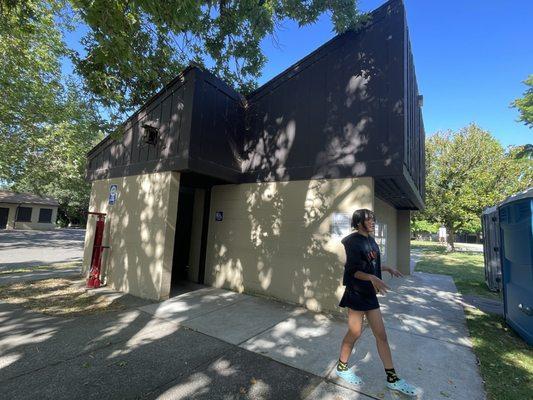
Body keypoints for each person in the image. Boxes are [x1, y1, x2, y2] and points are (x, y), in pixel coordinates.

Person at [335, 209, 418, 397]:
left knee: (381, 335)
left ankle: (392, 379)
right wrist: (373, 278)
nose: (372, 222)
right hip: (356, 293)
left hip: (369, 295)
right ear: (358, 223)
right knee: (355, 332)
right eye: (368, 219)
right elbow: (353, 272)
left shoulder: (370, 240)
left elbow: (370, 264)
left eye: (373, 218)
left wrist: (386, 268)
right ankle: (341, 367)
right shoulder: (352, 242)